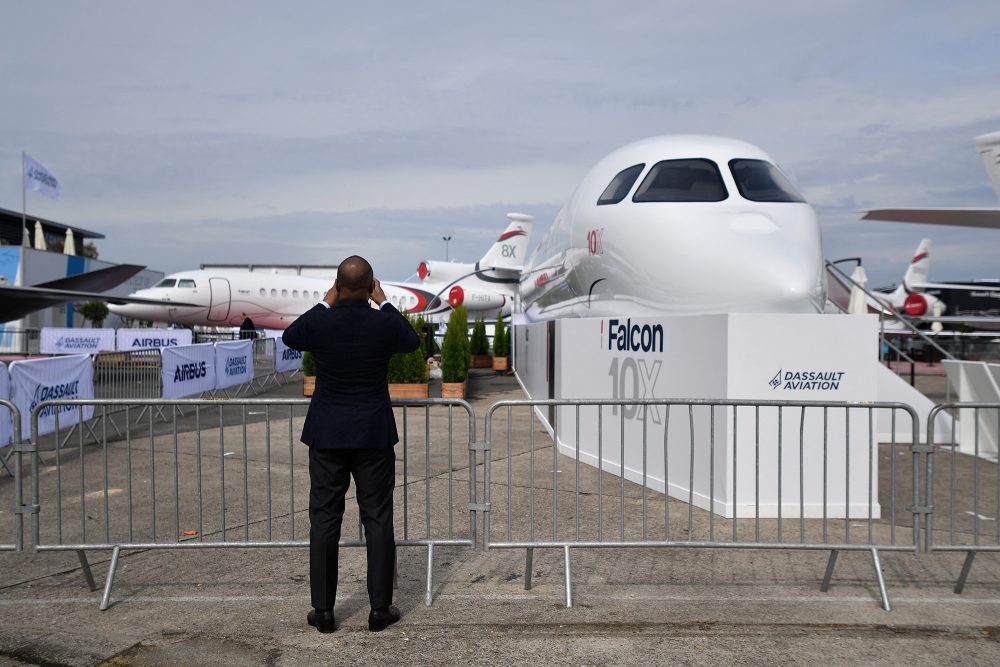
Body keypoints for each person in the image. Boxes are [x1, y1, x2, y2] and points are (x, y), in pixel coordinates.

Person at [282, 256, 420, 634]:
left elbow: (290, 336)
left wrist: (326, 302)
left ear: (338, 286)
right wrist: (386, 302)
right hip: (373, 434)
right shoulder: (382, 322)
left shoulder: (322, 321)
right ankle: (379, 610)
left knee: (325, 520)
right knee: (377, 518)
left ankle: (324, 611)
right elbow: (412, 341)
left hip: (327, 434)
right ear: (372, 286)